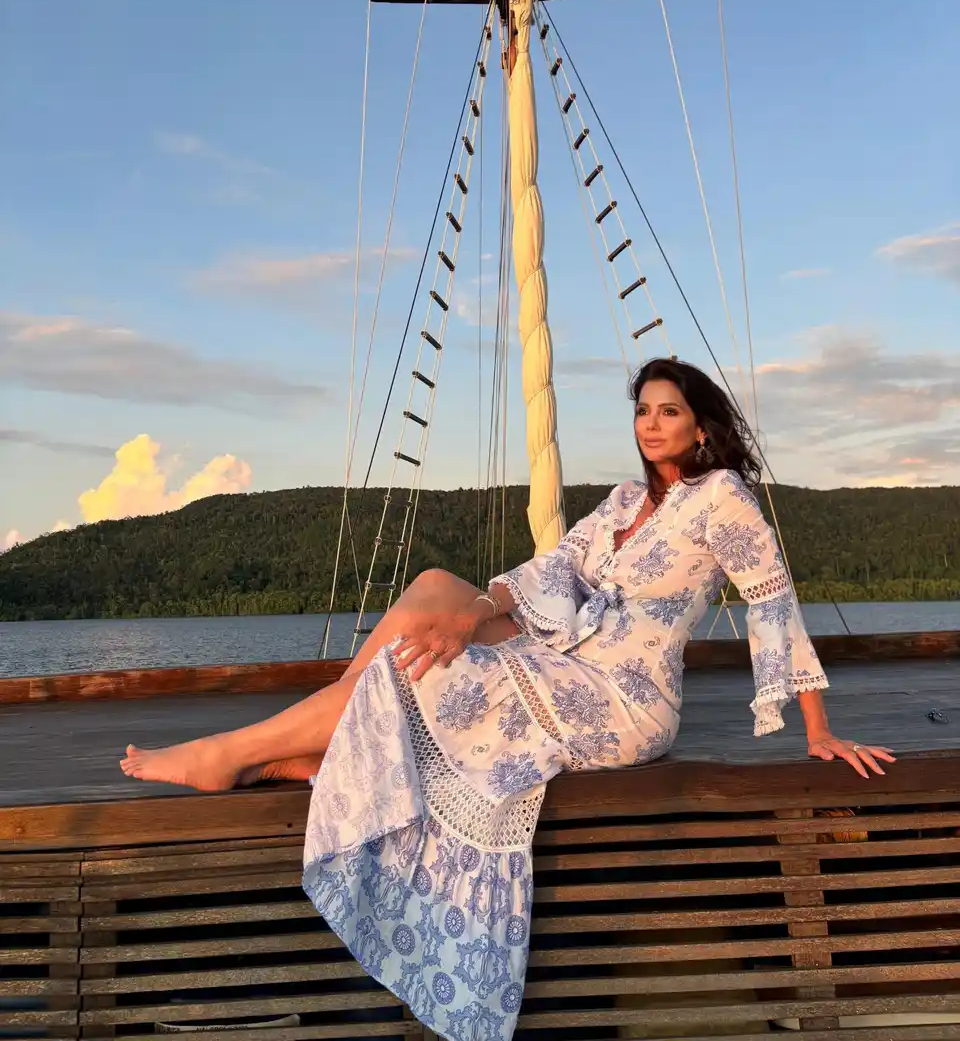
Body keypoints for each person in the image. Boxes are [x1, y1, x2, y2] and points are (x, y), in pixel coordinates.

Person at [121, 358, 894, 1041]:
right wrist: (474, 613)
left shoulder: (722, 498)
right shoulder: (626, 501)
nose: (652, 424)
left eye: (670, 411)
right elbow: (552, 572)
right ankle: (328, 739)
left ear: (700, 427)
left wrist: (818, 730)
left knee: (424, 670)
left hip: (625, 697)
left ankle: (233, 752)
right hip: (566, 658)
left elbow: (773, 602)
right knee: (433, 590)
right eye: (643, 410)